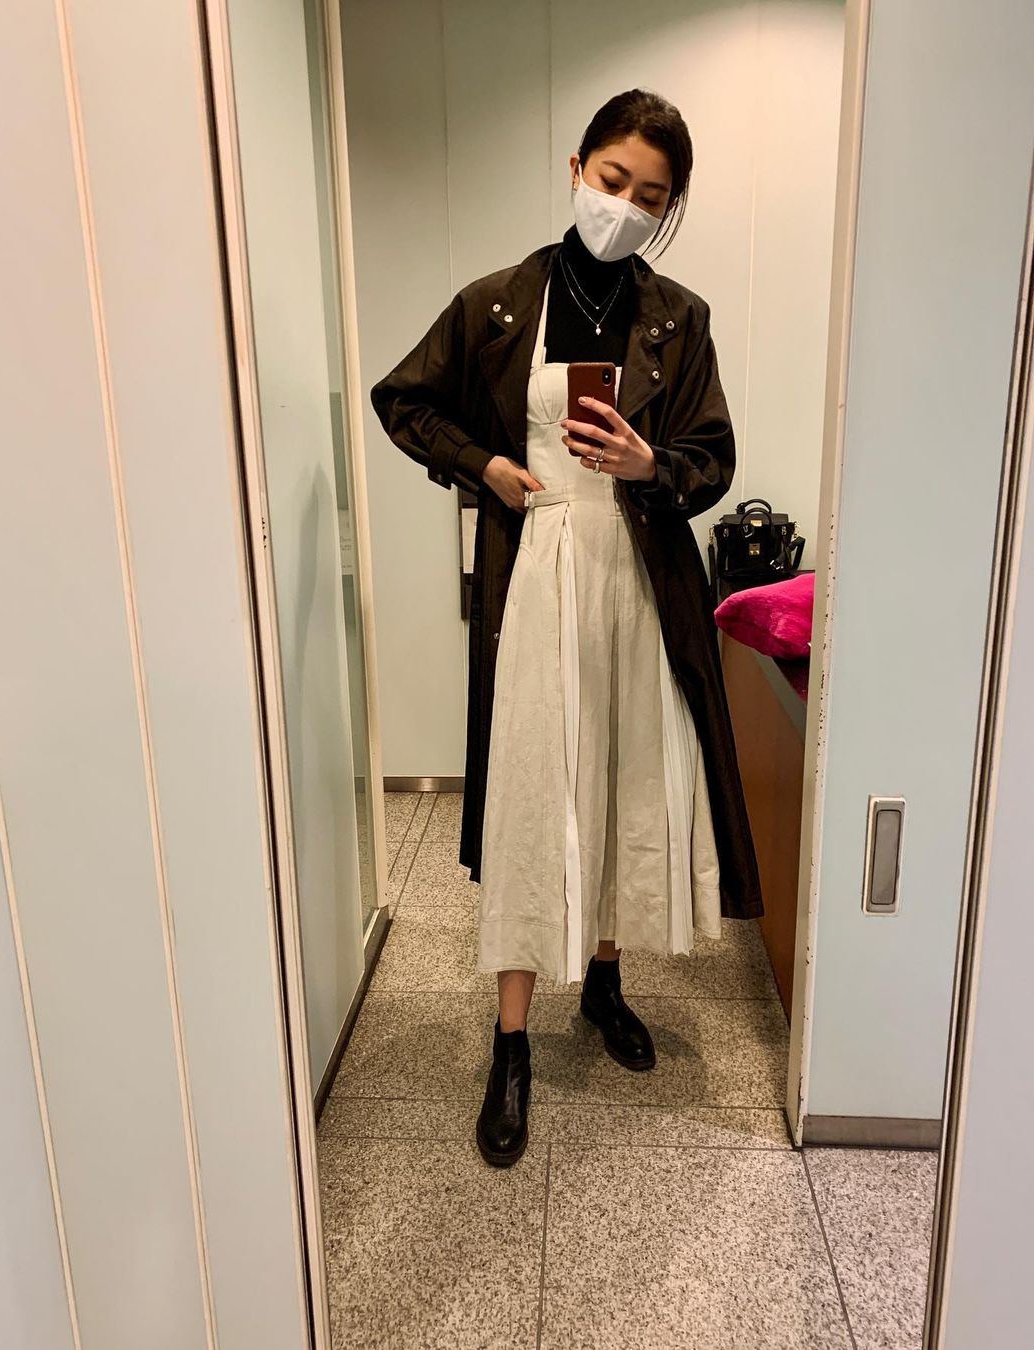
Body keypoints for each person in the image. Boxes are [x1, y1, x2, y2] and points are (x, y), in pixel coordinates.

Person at [370, 88, 763, 1168]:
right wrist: (487, 468)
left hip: (638, 579)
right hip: (536, 571)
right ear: (577, 166)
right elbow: (406, 401)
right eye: (613, 179)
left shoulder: (680, 318)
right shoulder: (498, 303)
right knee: (535, 791)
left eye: (652, 196)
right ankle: (511, 1044)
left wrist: (650, 462)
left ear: (669, 208)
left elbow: (713, 458)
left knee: (623, 774)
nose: (626, 206)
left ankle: (603, 982)